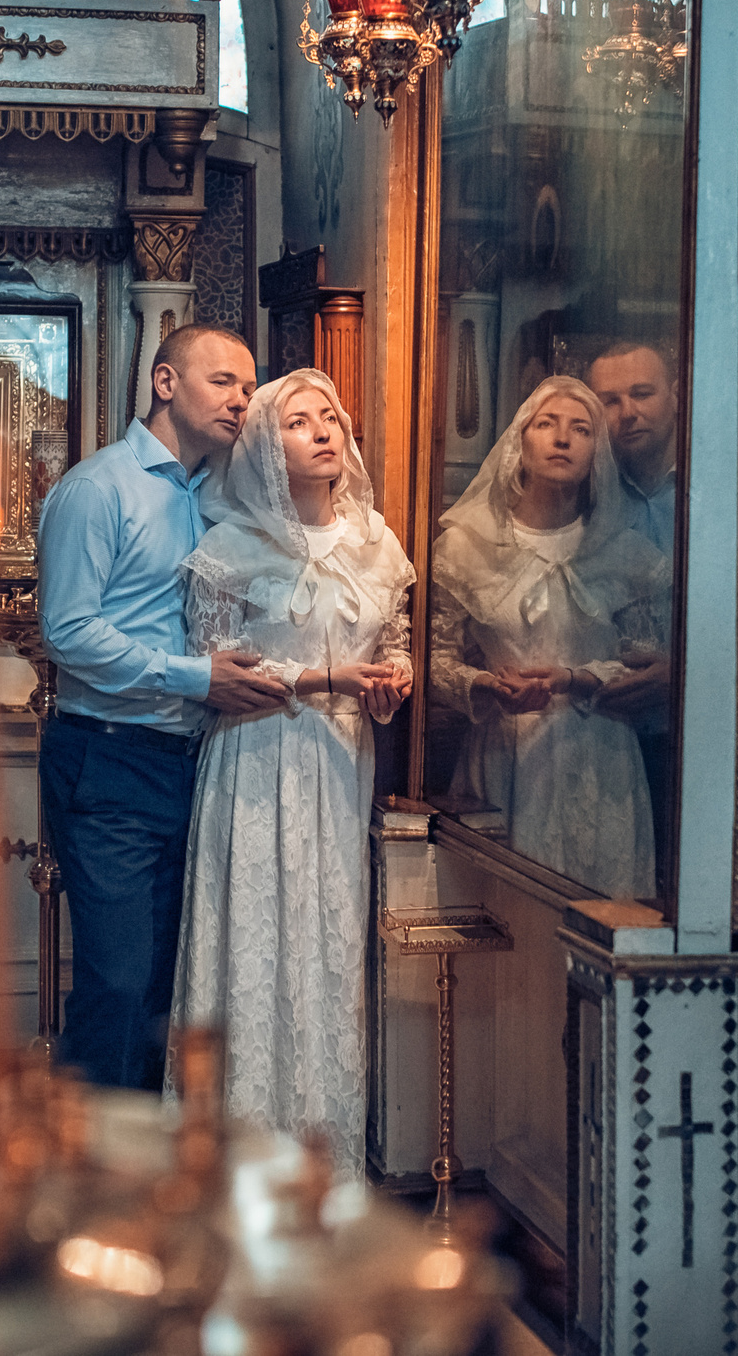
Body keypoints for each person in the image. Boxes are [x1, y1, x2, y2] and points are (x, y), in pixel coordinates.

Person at [35, 323, 289, 1089]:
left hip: (191, 763)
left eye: (249, 387)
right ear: (166, 382)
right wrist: (195, 677)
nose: (241, 400)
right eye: (223, 382)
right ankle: (84, 1175)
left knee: (165, 988)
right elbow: (68, 632)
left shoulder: (215, 495)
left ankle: (145, 1179)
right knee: (115, 983)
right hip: (108, 757)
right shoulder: (97, 488)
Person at [168, 369, 412, 1165]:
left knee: (330, 945)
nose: (322, 430)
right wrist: (323, 679)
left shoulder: (378, 543)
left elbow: (396, 641)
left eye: (331, 416)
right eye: (298, 421)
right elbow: (215, 667)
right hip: (256, 759)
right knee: (254, 936)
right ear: (266, 449)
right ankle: (236, 1148)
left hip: (341, 762)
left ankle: (322, 1155)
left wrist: (392, 679)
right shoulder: (229, 547)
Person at [428, 378, 669, 898]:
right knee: (503, 925)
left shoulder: (629, 555)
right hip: (506, 752)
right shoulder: (463, 549)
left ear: (597, 452)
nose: (563, 438)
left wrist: (575, 678)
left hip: (601, 759)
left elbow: (649, 667)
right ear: (520, 441)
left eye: (581, 429)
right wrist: (485, 685)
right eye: (547, 424)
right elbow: (436, 660)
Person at [585, 342, 678, 815]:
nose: (628, 412)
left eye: (643, 393)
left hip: (701, 732)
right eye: (610, 400)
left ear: (676, 395)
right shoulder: (579, 497)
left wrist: (686, 672)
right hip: (603, 732)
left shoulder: (722, 487)